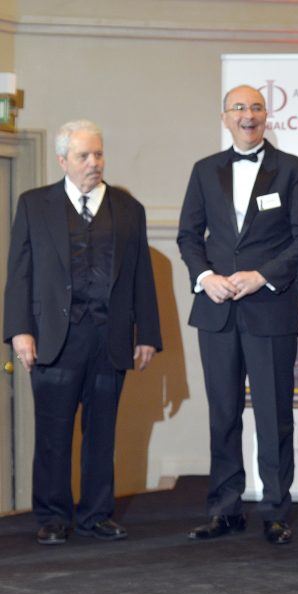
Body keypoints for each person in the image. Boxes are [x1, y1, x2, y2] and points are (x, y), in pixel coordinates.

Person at [3, 120, 161, 544]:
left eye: (98, 154)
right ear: (62, 161)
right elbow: (19, 273)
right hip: (54, 340)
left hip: (109, 340)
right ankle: (53, 517)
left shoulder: (129, 209)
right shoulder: (34, 205)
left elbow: (141, 276)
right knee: (52, 434)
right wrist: (19, 331)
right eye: (83, 156)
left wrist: (147, 333)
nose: (94, 163)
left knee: (102, 433)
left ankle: (96, 514)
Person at [177, 84, 298, 545]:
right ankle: (224, 509)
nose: (248, 114)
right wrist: (205, 277)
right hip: (216, 310)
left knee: (274, 414)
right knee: (223, 414)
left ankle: (276, 510)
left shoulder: (294, 171)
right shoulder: (204, 170)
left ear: (266, 116)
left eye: (256, 107)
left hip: (269, 307)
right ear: (225, 117)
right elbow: (188, 236)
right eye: (239, 107)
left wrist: (263, 276)